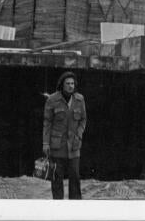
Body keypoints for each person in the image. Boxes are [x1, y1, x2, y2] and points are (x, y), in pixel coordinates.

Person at [42, 71, 87, 200]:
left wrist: (79, 134)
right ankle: (58, 207)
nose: (70, 86)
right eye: (68, 83)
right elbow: (47, 122)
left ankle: (75, 207)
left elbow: (83, 119)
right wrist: (45, 143)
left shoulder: (80, 99)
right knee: (57, 178)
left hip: (74, 146)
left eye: (72, 83)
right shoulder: (52, 100)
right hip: (57, 147)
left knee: (75, 177)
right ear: (62, 85)